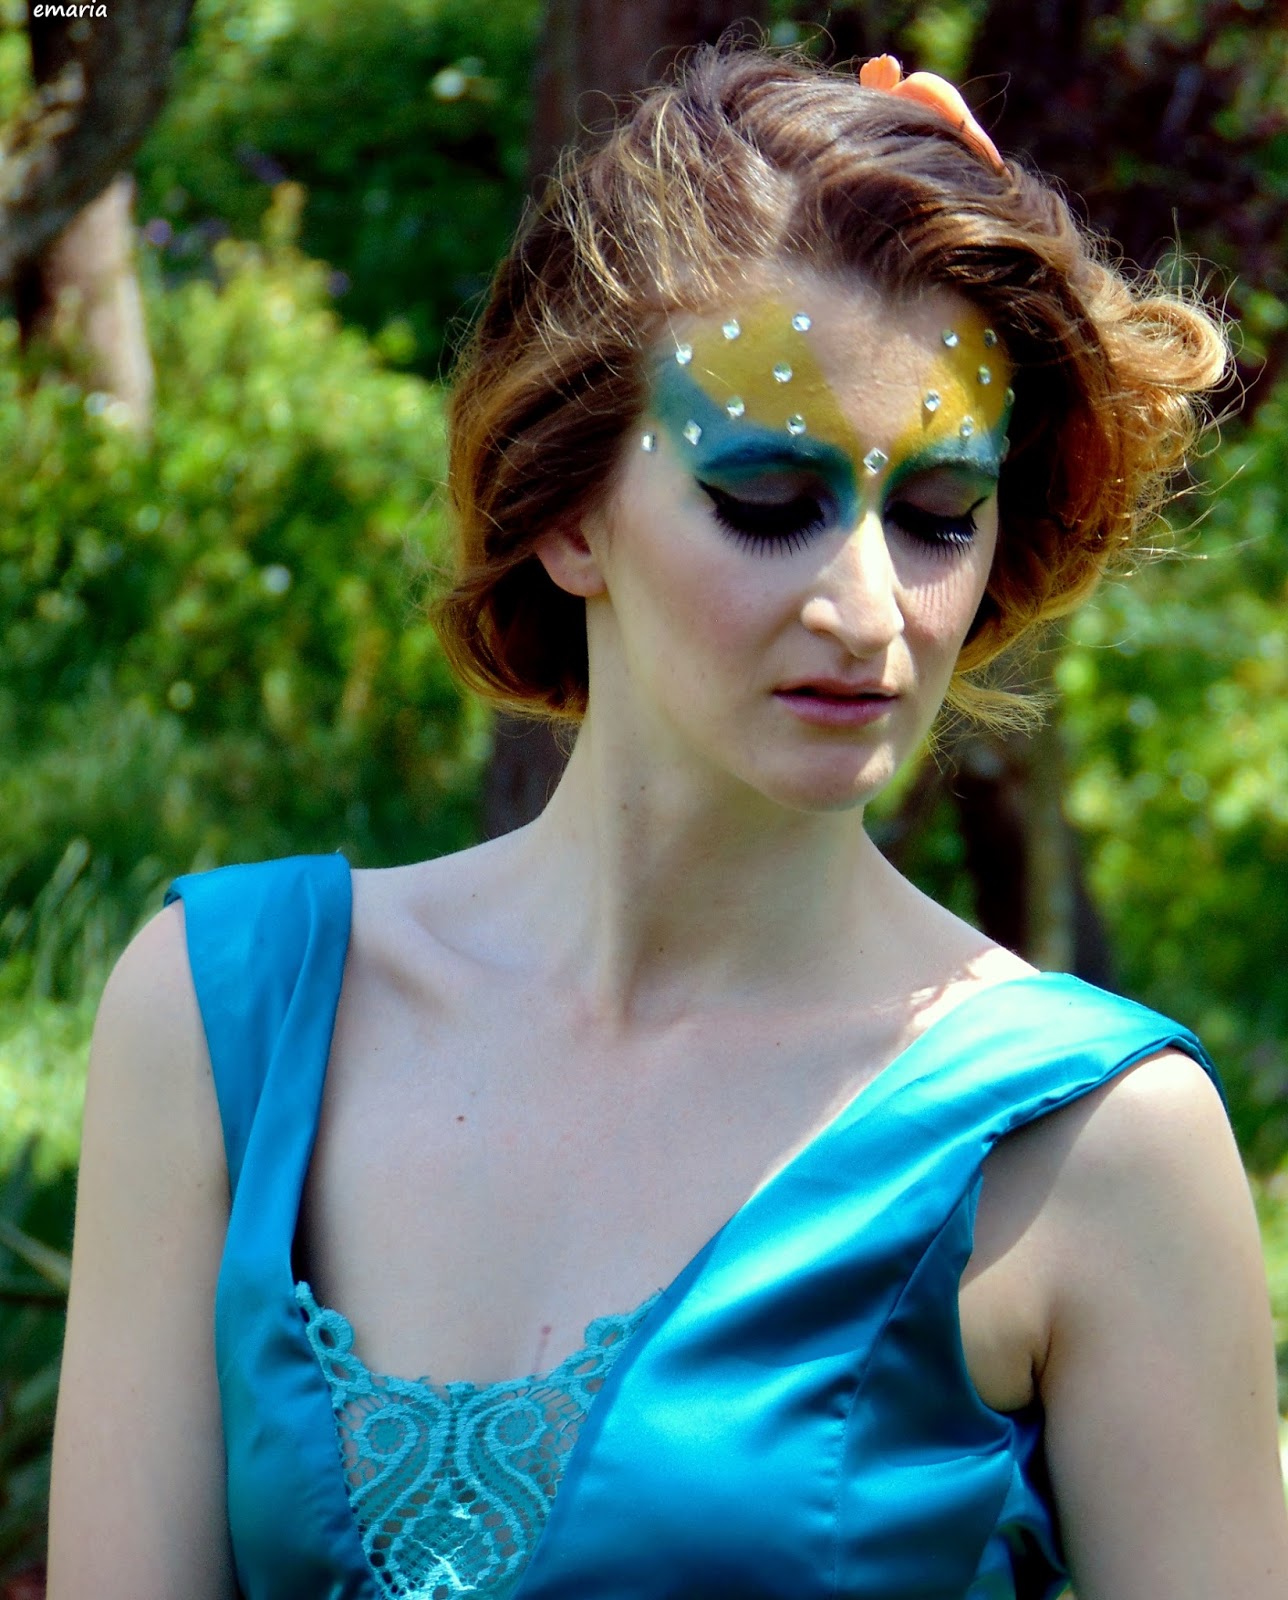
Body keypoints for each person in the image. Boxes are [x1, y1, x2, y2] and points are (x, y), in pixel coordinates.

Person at [48, 44, 1288, 1600]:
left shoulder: (1099, 1142)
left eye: (937, 518)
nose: (869, 611)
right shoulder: (221, 1015)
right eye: (766, 499)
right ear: (568, 511)